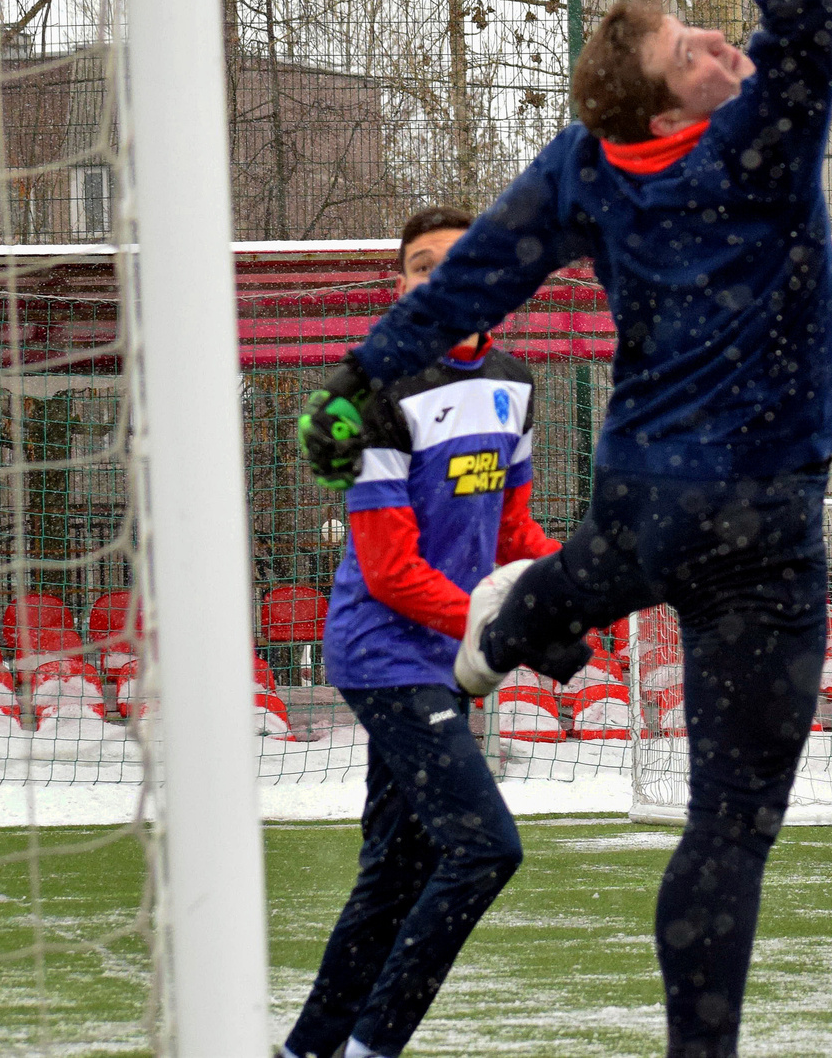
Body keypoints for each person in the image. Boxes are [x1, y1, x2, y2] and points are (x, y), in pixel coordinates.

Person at [298, 0, 832, 1058]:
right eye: (694, 46)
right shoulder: (764, 127)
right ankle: (533, 609)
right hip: (766, 513)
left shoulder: (587, 164)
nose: (727, 42)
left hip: (650, 504)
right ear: (677, 97)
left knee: (587, 579)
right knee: (731, 827)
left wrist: (358, 383)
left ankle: (531, 609)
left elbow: (465, 282)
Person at [280, 206, 570, 1058]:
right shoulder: (377, 394)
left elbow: (515, 532)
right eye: (420, 265)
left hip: (450, 660)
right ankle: (372, 1047)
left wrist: (578, 588)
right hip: (383, 654)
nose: (439, 276)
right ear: (400, 287)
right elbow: (388, 571)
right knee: (485, 849)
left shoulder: (514, 382)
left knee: (394, 872)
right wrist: (501, 625)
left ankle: (308, 1049)